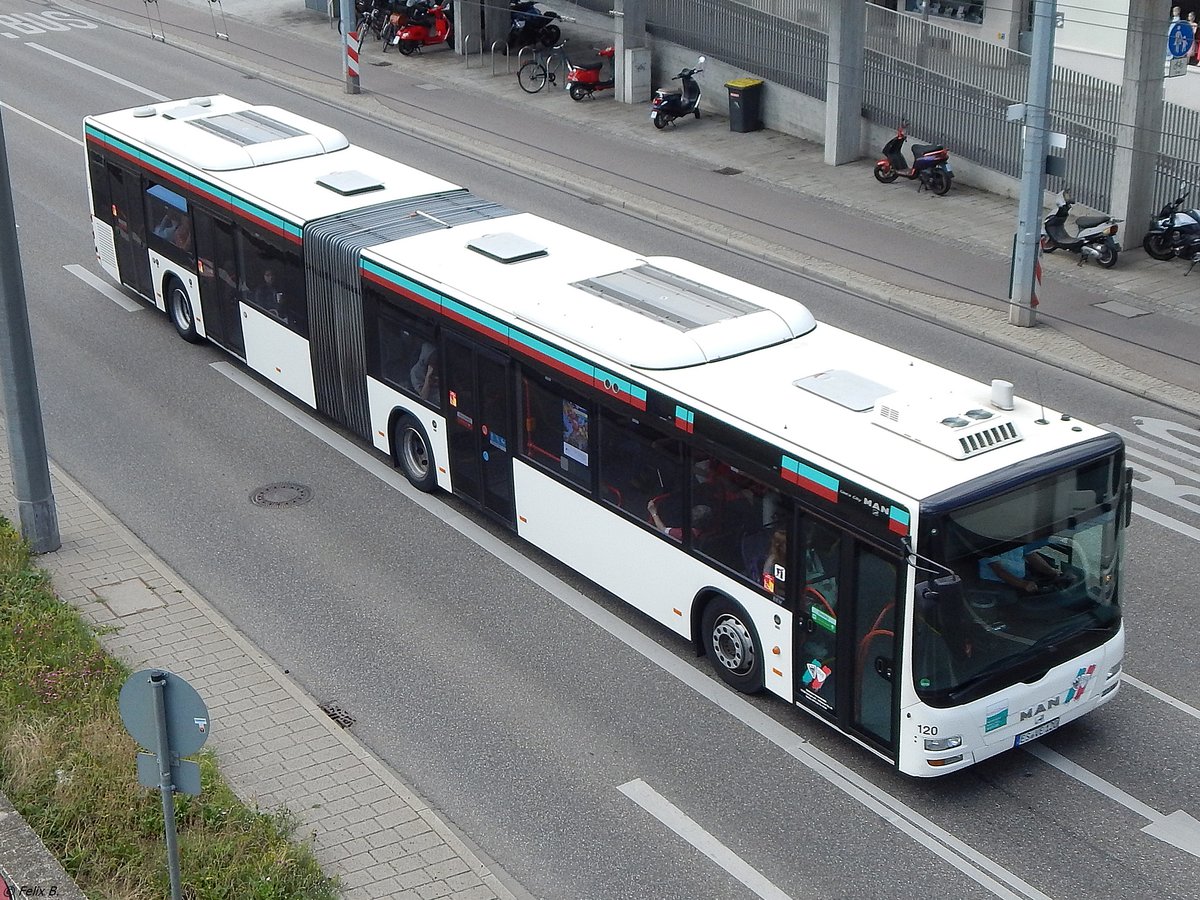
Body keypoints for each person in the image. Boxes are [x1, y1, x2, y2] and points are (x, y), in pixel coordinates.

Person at [980, 544, 1069, 594]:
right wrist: (1023, 584)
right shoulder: (988, 542)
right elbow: (999, 571)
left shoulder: (1017, 535)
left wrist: (1052, 572)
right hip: (996, 583)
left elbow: (1031, 555)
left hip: (1021, 577)